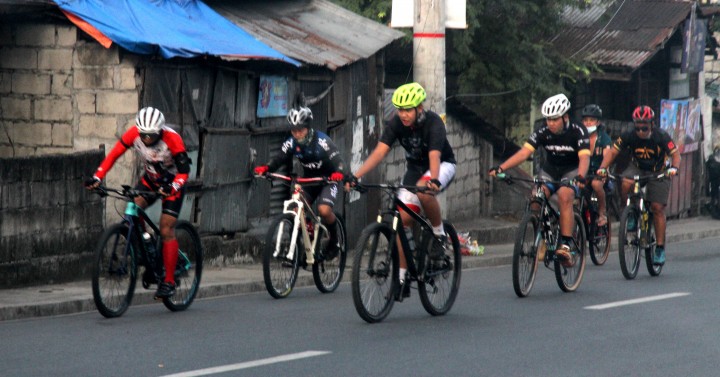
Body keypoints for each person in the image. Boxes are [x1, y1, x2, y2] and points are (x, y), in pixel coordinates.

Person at [345, 82, 456, 301]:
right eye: (399, 109)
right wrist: (356, 176)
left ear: (419, 108)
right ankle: (402, 279)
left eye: (407, 110)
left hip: (441, 166)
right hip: (415, 170)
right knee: (401, 221)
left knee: (425, 192)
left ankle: (438, 233)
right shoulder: (396, 123)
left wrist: (433, 180)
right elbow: (379, 152)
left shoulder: (434, 123)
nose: (402, 114)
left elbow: (434, 155)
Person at [85, 107, 191, 299]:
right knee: (132, 207)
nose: (146, 139)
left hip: (172, 182)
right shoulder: (134, 134)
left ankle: (168, 281)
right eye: (143, 134)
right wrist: (97, 177)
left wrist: (172, 188)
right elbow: (114, 155)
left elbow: (184, 172)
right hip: (151, 180)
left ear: (160, 131)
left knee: (166, 228)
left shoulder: (172, 139)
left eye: (151, 135)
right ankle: (147, 245)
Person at [489, 93, 590, 267]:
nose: (550, 123)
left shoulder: (578, 131)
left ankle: (566, 244)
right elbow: (524, 153)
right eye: (548, 119)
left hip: (571, 171)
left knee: (565, 196)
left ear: (565, 117)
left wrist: (580, 176)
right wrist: (501, 168)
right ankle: (543, 236)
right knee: (536, 197)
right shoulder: (543, 132)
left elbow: (584, 158)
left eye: (555, 119)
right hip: (550, 170)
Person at [253, 106, 346, 260]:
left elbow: (339, 162)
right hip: (309, 181)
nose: (297, 134)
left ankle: (334, 241)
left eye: (300, 130)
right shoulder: (291, 143)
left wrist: (339, 173)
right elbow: (279, 158)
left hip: (328, 181)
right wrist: (267, 168)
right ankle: (296, 252)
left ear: (308, 128)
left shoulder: (322, 141)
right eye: (293, 130)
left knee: (323, 210)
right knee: (295, 211)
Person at [596, 105, 680, 265]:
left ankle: (660, 248)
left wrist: (674, 168)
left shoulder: (661, 136)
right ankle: (631, 211)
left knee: (657, 208)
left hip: (658, 171)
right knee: (626, 182)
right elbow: (613, 152)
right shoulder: (628, 135)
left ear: (652, 124)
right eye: (638, 127)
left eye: (644, 127)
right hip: (637, 167)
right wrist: (602, 168)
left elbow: (675, 154)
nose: (641, 131)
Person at [581, 104, 613, 226]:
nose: (588, 123)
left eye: (591, 120)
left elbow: (607, 157)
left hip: (599, 173)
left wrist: (604, 170)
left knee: (596, 184)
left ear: (598, 122)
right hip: (583, 173)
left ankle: (602, 212)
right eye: (585, 120)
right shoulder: (580, 137)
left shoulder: (604, 139)